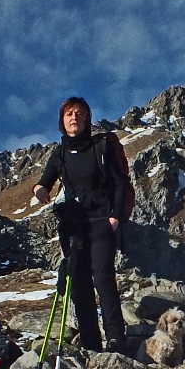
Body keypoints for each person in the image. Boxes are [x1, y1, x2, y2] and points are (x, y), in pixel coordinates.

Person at [32, 97, 129, 352]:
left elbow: (120, 183)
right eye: (68, 114)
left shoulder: (101, 147)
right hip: (73, 227)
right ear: (62, 122)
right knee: (80, 284)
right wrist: (39, 188)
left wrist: (115, 216)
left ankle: (116, 338)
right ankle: (91, 343)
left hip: (100, 223)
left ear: (87, 119)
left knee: (104, 279)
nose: (74, 118)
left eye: (79, 113)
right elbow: (45, 181)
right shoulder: (60, 153)